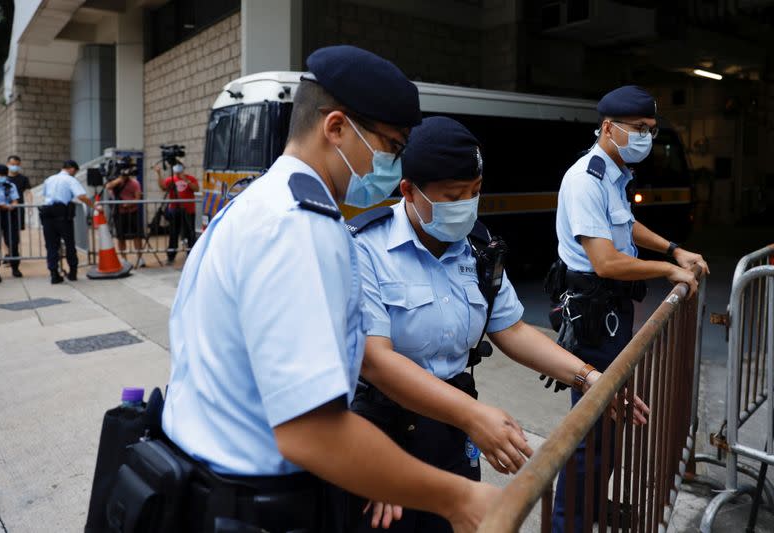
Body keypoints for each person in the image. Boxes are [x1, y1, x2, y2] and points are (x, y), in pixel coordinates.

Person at [160, 46, 499, 533]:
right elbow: (312, 431)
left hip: (212, 483)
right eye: (392, 147)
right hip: (255, 503)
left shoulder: (258, 203)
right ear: (336, 128)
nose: (396, 166)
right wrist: (458, 498)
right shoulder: (299, 229)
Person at [343, 116, 649, 532]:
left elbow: (512, 329)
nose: (466, 204)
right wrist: (474, 416)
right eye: (453, 195)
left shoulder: (480, 249)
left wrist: (587, 377)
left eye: (474, 192)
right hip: (380, 434)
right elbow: (376, 361)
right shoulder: (366, 248)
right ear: (409, 191)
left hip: (450, 432)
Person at [549, 85, 709, 532]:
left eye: (651, 131)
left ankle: (592, 508)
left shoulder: (613, 175)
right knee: (589, 432)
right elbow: (604, 260)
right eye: (639, 129)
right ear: (608, 128)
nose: (646, 138)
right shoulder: (585, 179)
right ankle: (568, 524)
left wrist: (673, 249)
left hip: (612, 313)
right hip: (592, 318)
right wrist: (666, 270)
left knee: (608, 429)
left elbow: (626, 224)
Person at [40, 160, 94, 284]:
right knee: (69, 243)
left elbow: (45, 195)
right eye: (75, 171)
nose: (74, 174)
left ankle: (54, 274)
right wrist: (94, 206)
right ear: (71, 169)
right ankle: (73, 272)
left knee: (51, 245)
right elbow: (81, 196)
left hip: (47, 212)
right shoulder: (70, 180)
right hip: (62, 213)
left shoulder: (49, 179)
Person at [154, 161, 198, 264]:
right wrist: (159, 174)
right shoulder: (171, 179)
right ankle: (171, 256)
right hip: (174, 210)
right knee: (173, 234)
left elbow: (196, 188)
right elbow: (163, 187)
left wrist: (186, 180)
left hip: (188, 210)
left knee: (189, 233)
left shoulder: (190, 178)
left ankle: (191, 255)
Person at [105, 167, 145, 267]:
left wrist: (129, 203)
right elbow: (108, 187)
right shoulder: (116, 182)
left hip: (132, 212)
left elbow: (138, 198)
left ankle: (140, 258)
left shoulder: (135, 183)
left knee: (137, 236)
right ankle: (124, 259)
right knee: (121, 237)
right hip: (119, 213)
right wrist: (120, 179)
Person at [0, 164, 22, 277]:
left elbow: (15, 201)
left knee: (12, 242)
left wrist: (11, 206)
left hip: (8, 216)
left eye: (3, 175)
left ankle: (15, 268)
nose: (1, 177)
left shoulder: (10, 186)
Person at [7, 155, 32, 230]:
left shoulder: (24, 178)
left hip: (19, 208)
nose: (15, 166)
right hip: (5, 207)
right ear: (7, 164)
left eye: (17, 165)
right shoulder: (3, 178)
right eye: (13, 164)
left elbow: (28, 192)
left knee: (18, 230)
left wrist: (30, 205)